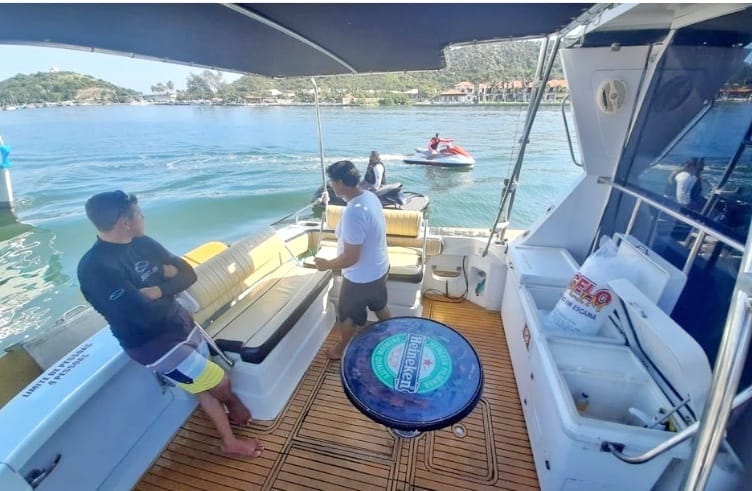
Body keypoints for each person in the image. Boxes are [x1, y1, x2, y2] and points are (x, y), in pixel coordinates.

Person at [77, 190, 263, 458]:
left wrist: (159, 290)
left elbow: (188, 274)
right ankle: (233, 405)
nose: (144, 217)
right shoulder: (95, 268)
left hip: (180, 323)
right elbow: (139, 311)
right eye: (139, 214)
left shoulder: (143, 243)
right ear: (125, 223)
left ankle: (229, 442)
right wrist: (164, 278)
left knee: (202, 384)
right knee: (219, 381)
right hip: (153, 343)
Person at [314, 161, 392, 359]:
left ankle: (341, 350)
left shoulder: (354, 212)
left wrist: (326, 265)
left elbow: (350, 258)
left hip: (360, 278)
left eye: (332, 181)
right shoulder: (370, 197)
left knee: (347, 315)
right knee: (379, 305)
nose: (331, 185)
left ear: (340, 183)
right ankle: (391, 335)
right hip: (380, 268)